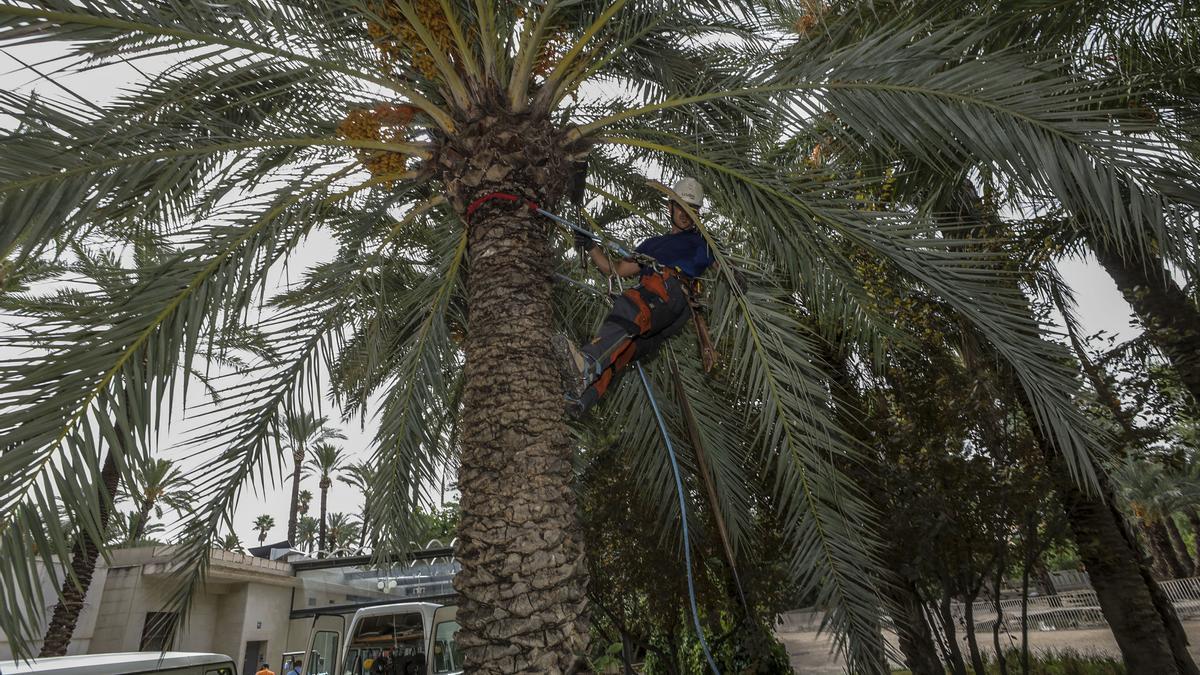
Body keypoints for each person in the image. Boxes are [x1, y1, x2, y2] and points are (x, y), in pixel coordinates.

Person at [555, 176, 716, 415]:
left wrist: (735, 275)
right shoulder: (653, 245)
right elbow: (617, 269)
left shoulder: (702, 241)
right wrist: (590, 246)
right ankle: (579, 400)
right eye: (681, 207)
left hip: (669, 295)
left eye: (692, 210)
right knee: (621, 351)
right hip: (662, 317)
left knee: (629, 308)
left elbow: (721, 262)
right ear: (669, 207)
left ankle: (586, 363)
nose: (686, 214)